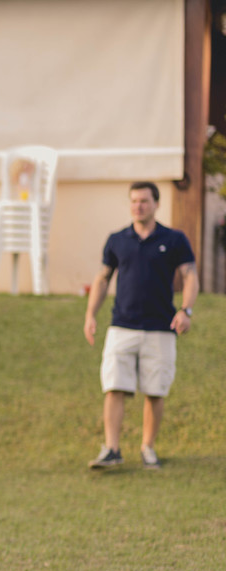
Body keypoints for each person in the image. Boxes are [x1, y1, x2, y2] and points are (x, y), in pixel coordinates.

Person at [84, 181, 199, 470]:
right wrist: (90, 315)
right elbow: (102, 279)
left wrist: (186, 310)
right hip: (122, 326)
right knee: (114, 387)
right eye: (134, 201)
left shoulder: (174, 239)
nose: (138, 206)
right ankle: (111, 449)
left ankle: (148, 448)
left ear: (156, 204)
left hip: (161, 327)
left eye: (144, 201)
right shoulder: (117, 239)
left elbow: (190, 276)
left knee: (155, 390)